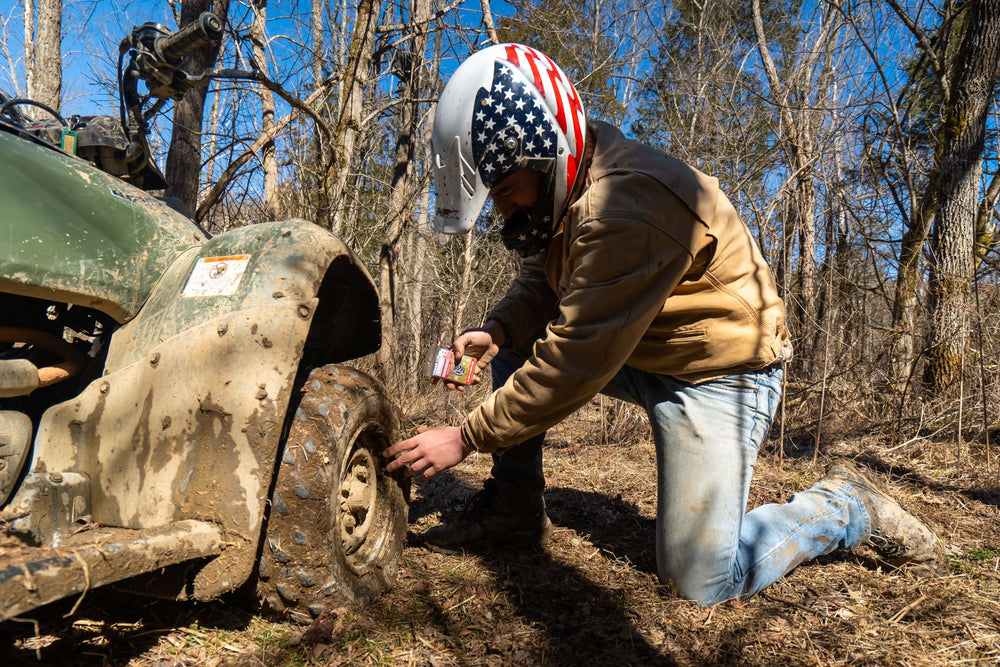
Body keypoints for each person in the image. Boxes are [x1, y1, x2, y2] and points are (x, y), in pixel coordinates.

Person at [383, 43, 944, 605]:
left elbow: (575, 359)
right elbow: (547, 278)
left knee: (699, 581)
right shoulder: (569, 170)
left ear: (548, 154)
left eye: (504, 191)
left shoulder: (627, 206)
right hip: (643, 347)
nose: (502, 211)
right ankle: (514, 510)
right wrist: (500, 330)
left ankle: (844, 505)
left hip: (722, 372)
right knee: (517, 347)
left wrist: (466, 437)